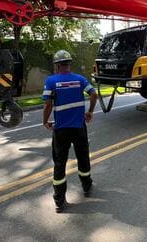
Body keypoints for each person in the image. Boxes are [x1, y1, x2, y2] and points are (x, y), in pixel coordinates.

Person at [42, 49, 98, 213]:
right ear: (68, 63)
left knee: (60, 164)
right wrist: (90, 112)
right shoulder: (79, 79)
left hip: (61, 130)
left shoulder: (51, 81)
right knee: (83, 158)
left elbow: (47, 104)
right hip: (79, 128)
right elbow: (93, 94)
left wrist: (45, 121)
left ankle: (59, 201)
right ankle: (87, 187)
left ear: (57, 65)